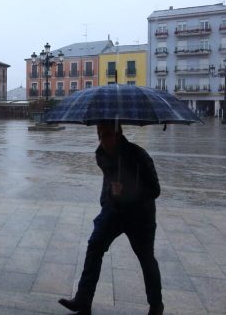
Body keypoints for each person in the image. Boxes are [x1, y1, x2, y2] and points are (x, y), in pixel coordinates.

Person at [59, 122, 164, 315]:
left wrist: (129, 190)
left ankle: (156, 305)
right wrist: (108, 199)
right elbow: (108, 180)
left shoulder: (138, 155)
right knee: (95, 245)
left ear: (118, 134)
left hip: (140, 215)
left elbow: (154, 190)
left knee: (146, 258)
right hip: (114, 211)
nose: (103, 140)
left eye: (106, 135)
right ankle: (83, 301)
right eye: (100, 135)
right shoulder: (102, 154)